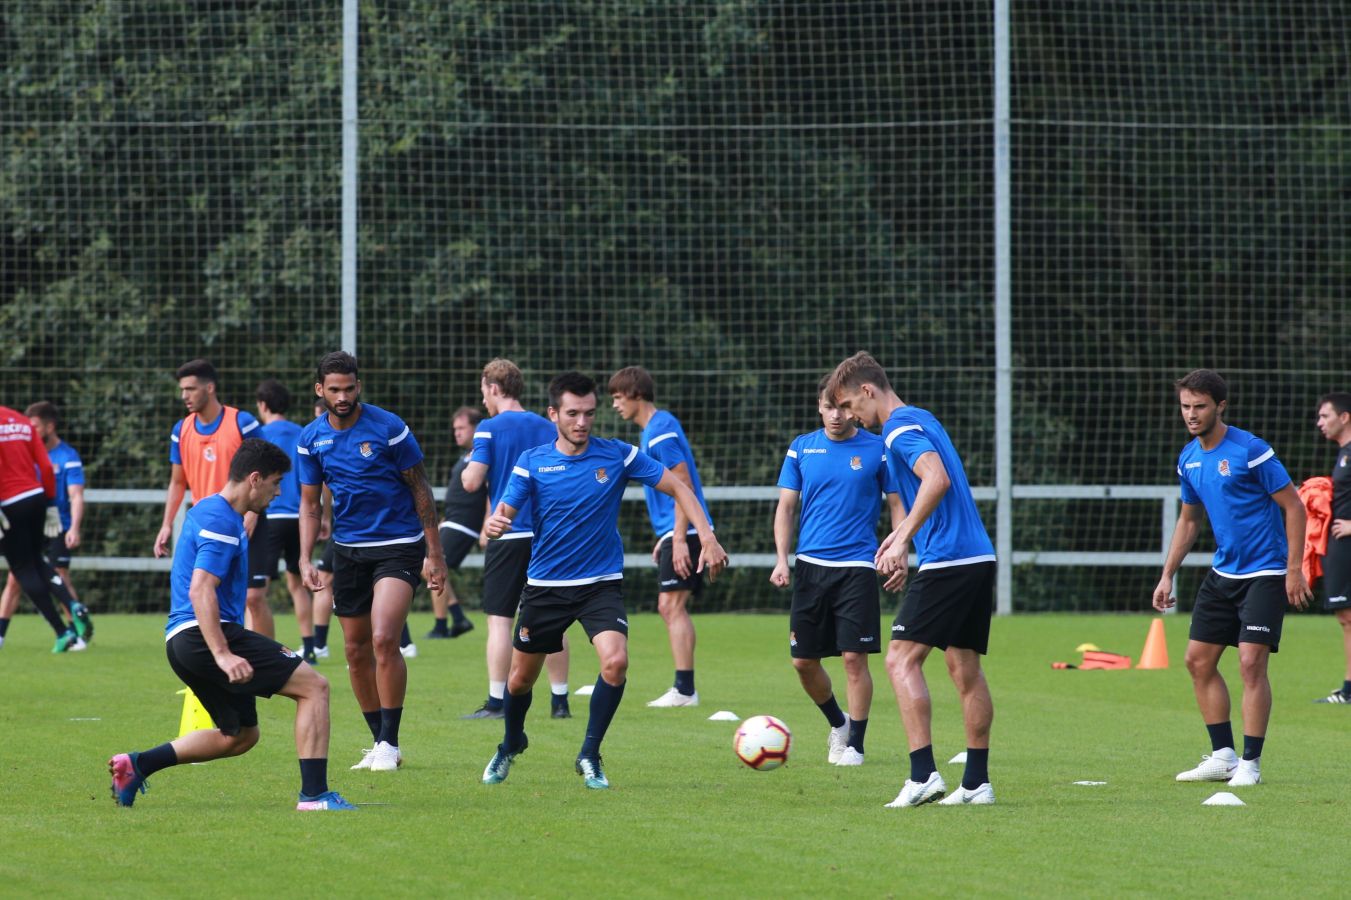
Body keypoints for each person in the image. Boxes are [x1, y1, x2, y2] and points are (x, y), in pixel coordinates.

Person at [480, 372, 728, 790]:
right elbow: (503, 510)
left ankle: (589, 753)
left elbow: (679, 486)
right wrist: (495, 524)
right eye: (573, 413)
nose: (582, 422)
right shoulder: (533, 461)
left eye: (589, 413)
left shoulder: (618, 455)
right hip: (545, 587)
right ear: (553, 414)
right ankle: (510, 743)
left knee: (615, 662)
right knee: (520, 680)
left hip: (600, 585)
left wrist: (706, 536)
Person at [107, 438, 354, 811]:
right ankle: (315, 796)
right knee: (315, 687)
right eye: (275, 483)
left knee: (239, 736)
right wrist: (222, 653)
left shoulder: (211, 510)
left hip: (181, 642)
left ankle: (138, 764)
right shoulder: (222, 521)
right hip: (205, 635)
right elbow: (201, 588)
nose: (278, 492)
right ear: (255, 479)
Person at [829, 352, 998, 807]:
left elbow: (936, 479)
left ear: (868, 391)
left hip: (949, 562)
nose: (848, 417)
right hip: (977, 556)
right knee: (964, 668)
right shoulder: (921, 418)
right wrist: (905, 540)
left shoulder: (899, 429)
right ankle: (976, 783)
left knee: (900, 660)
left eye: (848, 405)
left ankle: (922, 774)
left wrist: (903, 537)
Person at [1152, 369, 1310, 787]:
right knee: (1197, 660)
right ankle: (1222, 755)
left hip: (1266, 572)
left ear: (1220, 406)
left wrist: (1294, 569)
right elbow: (1189, 522)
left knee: (1249, 662)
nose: (1191, 414)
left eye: (1199, 406)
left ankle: (1251, 764)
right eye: (1185, 406)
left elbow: (1294, 507)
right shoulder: (1188, 458)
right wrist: (1167, 575)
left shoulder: (1251, 450)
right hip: (1223, 573)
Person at [297, 351, 446, 772]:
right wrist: (305, 558)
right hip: (348, 551)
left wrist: (434, 555)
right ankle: (378, 739)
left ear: (358, 386)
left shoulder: (389, 428)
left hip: (400, 545)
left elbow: (421, 490)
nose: (342, 397)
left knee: (384, 638)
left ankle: (390, 743)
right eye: (334, 390)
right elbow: (310, 505)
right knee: (354, 648)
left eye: (349, 388)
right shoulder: (310, 439)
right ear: (320, 390)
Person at [771, 376, 902, 767]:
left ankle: (856, 745)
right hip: (811, 567)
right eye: (829, 408)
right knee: (803, 662)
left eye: (843, 407)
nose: (837, 415)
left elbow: (896, 503)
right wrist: (781, 558)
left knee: (853, 658)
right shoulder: (801, 448)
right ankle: (838, 722)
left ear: (853, 407)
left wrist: (898, 547)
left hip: (857, 567)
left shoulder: (878, 450)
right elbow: (786, 508)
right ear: (818, 407)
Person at [461, 359, 570, 720]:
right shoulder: (547, 425)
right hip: (547, 536)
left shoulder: (488, 428)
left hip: (507, 533)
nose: (484, 399)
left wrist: (471, 464)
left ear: (493, 388)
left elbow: (472, 482)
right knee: (553, 618)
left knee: (500, 619)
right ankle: (560, 702)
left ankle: (496, 702)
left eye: (484, 392)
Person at [608, 366, 716, 708]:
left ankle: (685, 690)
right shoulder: (655, 429)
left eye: (617, 397)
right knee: (669, 606)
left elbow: (680, 482)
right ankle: (684, 688)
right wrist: (667, 536)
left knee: (672, 604)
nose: (614, 405)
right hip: (676, 529)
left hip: (683, 530)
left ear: (636, 394)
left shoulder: (659, 429)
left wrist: (680, 537)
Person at [153, 360, 265, 631]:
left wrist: (251, 513)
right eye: (182, 389)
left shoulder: (242, 423)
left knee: (252, 598)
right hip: (205, 525)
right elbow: (177, 482)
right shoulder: (181, 430)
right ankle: (218, 660)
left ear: (210, 388)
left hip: (243, 518)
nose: (184, 396)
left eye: (190, 389)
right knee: (205, 595)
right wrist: (167, 524)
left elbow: (264, 470)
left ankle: (265, 664)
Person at [0, 401, 93, 648]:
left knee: (21, 570)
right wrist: (50, 503)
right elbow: (44, 465)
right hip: (37, 498)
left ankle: (63, 632)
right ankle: (73, 605)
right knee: (36, 562)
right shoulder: (21, 421)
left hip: (9, 502)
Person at [252, 379, 315, 661]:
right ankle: (311, 647)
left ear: (263, 405)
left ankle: (257, 647)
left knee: (255, 588)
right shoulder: (303, 433)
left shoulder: (258, 434)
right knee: (298, 583)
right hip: (300, 516)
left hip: (270, 516)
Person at [427, 405, 483, 639]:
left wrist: (486, 525)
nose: (456, 432)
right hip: (452, 522)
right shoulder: (467, 456)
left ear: (476, 428)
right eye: (454, 429)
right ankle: (453, 620)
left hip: (465, 525)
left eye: (462, 428)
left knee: (432, 566)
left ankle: (449, 621)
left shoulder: (484, 455)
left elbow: (492, 491)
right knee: (431, 567)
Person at [1314, 392, 1351, 704]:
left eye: (1325, 416)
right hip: (1340, 546)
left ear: (1345, 417)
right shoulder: (1343, 454)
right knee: (1346, 617)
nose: (1320, 423)